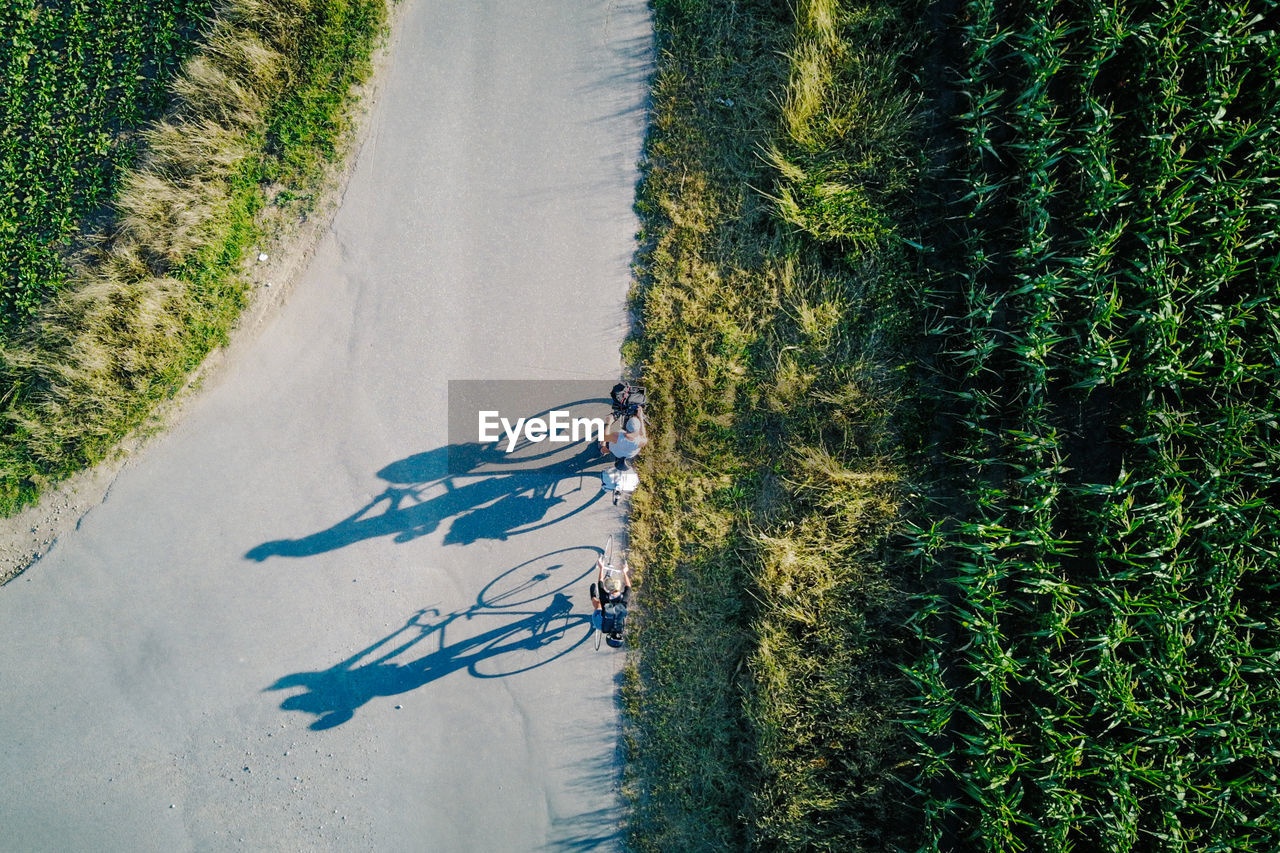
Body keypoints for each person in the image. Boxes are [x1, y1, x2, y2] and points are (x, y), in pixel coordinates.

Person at [590, 554, 631, 645]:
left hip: (615, 612)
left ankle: (594, 598)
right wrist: (601, 568)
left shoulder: (623, 601)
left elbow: (628, 587)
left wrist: (625, 572)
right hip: (602, 620)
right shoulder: (605, 598)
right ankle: (593, 597)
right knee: (598, 605)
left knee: (599, 604)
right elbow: (600, 584)